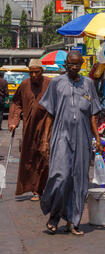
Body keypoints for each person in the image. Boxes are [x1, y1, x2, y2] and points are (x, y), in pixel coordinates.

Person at [39, 50, 103, 236]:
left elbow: (92, 114)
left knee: (79, 179)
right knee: (60, 176)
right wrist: (45, 138)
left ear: (81, 65)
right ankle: (54, 216)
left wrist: (97, 138)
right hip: (61, 134)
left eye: (77, 64)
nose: (74, 67)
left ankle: (73, 221)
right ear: (66, 65)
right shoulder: (56, 83)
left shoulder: (89, 84)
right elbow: (49, 113)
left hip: (83, 136)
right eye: (71, 64)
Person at [8, 59, 51, 201]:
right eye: (31, 72)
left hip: (46, 127)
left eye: (36, 72)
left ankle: (41, 188)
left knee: (45, 159)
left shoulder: (50, 84)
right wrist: (14, 122)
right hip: (29, 128)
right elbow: (16, 103)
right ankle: (34, 189)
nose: (33, 75)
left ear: (42, 71)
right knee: (30, 158)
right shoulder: (25, 84)